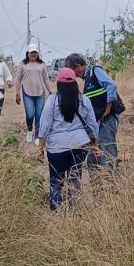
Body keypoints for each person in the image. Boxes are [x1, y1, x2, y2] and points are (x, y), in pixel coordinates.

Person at [36, 66, 100, 211]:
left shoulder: (52, 101)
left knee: (56, 180)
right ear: (75, 83)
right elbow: (93, 126)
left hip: (57, 148)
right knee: (75, 179)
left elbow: (44, 126)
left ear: (58, 84)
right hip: (80, 145)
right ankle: (74, 210)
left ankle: (56, 211)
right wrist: (95, 145)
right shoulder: (84, 100)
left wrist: (41, 148)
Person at [67, 51, 122, 168]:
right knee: (94, 151)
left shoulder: (95, 71)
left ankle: (110, 174)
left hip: (108, 117)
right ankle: (100, 175)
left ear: (77, 67)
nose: (74, 75)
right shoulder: (87, 79)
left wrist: (108, 108)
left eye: (72, 71)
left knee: (107, 145)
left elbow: (111, 85)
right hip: (99, 119)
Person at [14, 43, 51, 142]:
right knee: (30, 114)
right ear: (28, 53)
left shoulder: (42, 64)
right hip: (27, 92)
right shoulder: (22, 64)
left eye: (35, 52)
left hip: (40, 92)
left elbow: (46, 78)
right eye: (31, 52)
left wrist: (50, 91)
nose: (33, 54)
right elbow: (18, 79)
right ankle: (30, 130)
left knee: (39, 115)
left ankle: (37, 135)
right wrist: (17, 93)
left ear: (38, 53)